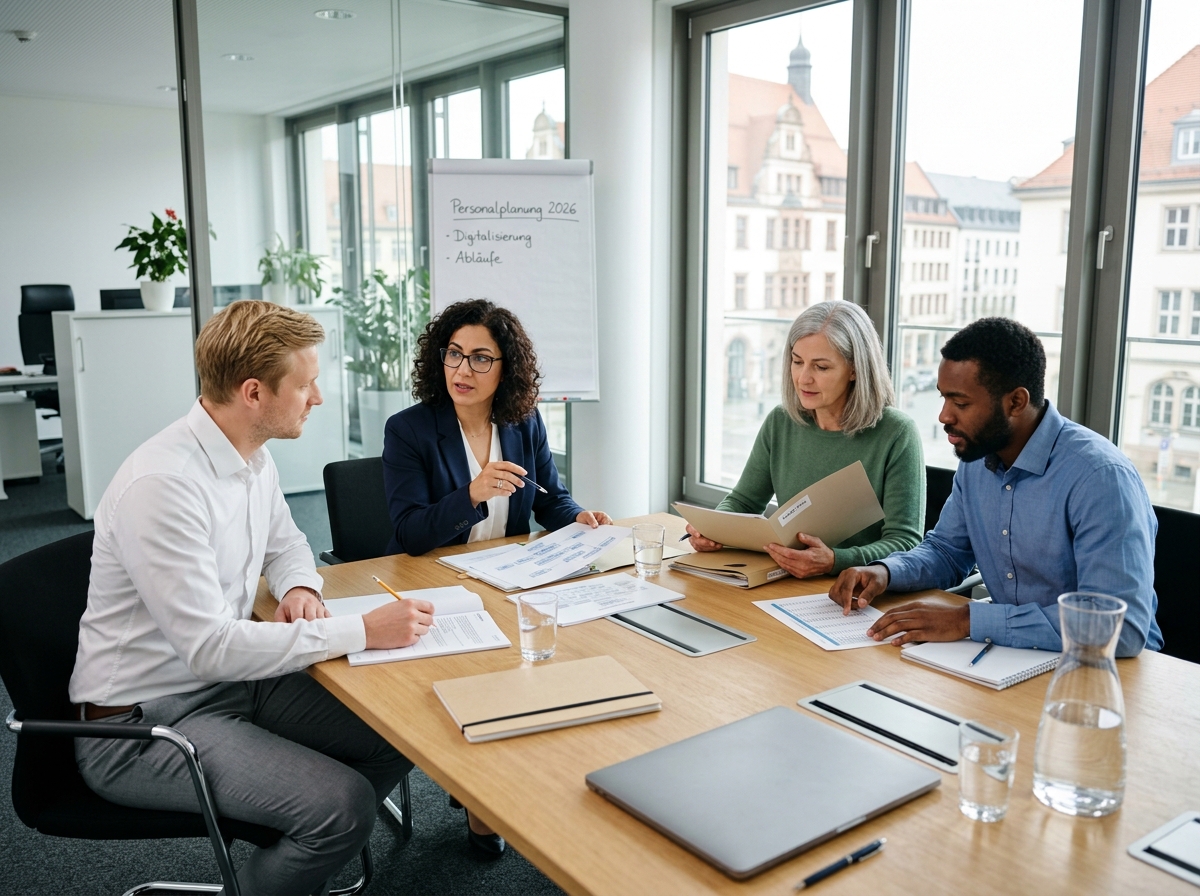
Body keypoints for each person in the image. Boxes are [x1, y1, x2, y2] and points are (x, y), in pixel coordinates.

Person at [69, 301, 435, 895]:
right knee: (339, 808)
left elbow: (287, 542)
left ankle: (301, 830)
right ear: (253, 392)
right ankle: (316, 826)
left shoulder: (249, 455)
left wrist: (297, 584)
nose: (317, 397)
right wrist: (362, 630)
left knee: (405, 727)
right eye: (306, 383)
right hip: (143, 727)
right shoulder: (164, 486)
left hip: (230, 686)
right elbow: (210, 650)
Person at [831, 317, 1163, 658]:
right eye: (944, 398)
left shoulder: (1100, 478)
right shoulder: (977, 458)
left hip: (1108, 670)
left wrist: (969, 619)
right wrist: (885, 572)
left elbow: (1119, 628)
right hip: (1012, 657)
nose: (944, 416)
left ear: (1016, 402)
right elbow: (947, 551)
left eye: (960, 403)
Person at [686, 301, 925, 577]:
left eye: (821, 367)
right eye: (797, 362)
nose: (803, 379)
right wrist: (714, 529)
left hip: (860, 592)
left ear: (855, 370)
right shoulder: (781, 421)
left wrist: (836, 560)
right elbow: (743, 502)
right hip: (786, 581)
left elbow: (905, 543)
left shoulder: (897, 433)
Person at [383, 298, 610, 557]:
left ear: (506, 369)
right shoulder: (408, 429)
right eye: (455, 354)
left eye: (480, 358)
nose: (463, 370)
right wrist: (471, 494)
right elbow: (410, 534)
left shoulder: (526, 421)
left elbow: (551, 499)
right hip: (430, 575)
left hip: (503, 569)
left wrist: (577, 517)